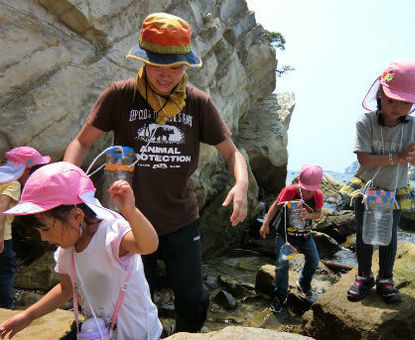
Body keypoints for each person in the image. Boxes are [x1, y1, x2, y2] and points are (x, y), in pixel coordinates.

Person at [63, 13, 248, 332]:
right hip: (126, 222)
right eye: (157, 67)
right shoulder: (120, 96)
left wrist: (242, 185)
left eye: (175, 68)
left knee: (191, 297)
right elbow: (81, 142)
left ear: (186, 66)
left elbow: (232, 153)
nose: (165, 76)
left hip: (180, 219)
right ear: (143, 61)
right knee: (134, 295)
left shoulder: (198, 104)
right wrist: (66, 182)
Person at [0, 161, 162, 339]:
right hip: (99, 333)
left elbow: (148, 246)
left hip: (137, 334)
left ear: (77, 216)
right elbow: (65, 288)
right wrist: (28, 315)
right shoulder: (66, 251)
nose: (44, 238)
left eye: (45, 229)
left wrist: (131, 212)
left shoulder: (110, 235)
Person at [340, 60, 415, 303]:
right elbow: (365, 160)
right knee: (364, 233)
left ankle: (385, 278)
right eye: (391, 100)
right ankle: (363, 275)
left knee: (388, 234)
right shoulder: (365, 122)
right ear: (380, 94)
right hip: (367, 188)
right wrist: (397, 157)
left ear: (414, 102)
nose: (397, 108)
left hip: (395, 189)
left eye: (405, 103)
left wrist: (413, 156)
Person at [259, 164, 323, 313]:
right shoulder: (290, 191)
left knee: (314, 259)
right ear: (299, 183)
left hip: (305, 236)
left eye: (310, 190)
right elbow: (275, 206)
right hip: (286, 236)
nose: (307, 192)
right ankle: (281, 295)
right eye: (304, 188)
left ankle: (304, 282)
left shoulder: (318, 195)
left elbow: (318, 213)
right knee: (283, 262)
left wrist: (309, 215)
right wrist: (265, 224)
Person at [0, 146, 51, 309]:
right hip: (3, 238)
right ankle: (5, 307)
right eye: (33, 172)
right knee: (6, 271)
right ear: (24, 170)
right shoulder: (13, 184)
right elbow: (1, 208)